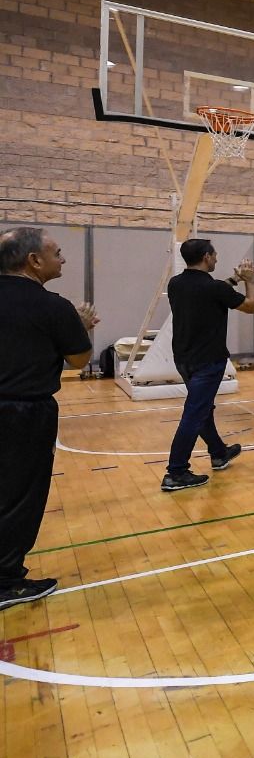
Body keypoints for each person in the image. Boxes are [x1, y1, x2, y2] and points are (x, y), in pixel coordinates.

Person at [0, 228, 95, 611]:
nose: (63, 260)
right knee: (20, 495)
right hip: (25, 413)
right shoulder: (53, 307)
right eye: (57, 253)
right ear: (34, 261)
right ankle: (6, 581)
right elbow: (79, 360)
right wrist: (81, 327)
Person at [162, 239, 254, 492]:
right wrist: (250, 280)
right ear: (206, 257)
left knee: (202, 408)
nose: (216, 259)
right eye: (214, 255)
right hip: (208, 361)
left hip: (183, 359)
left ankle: (218, 453)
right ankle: (176, 472)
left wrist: (233, 279)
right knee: (194, 413)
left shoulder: (176, 284)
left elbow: (213, 291)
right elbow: (251, 306)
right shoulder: (214, 288)